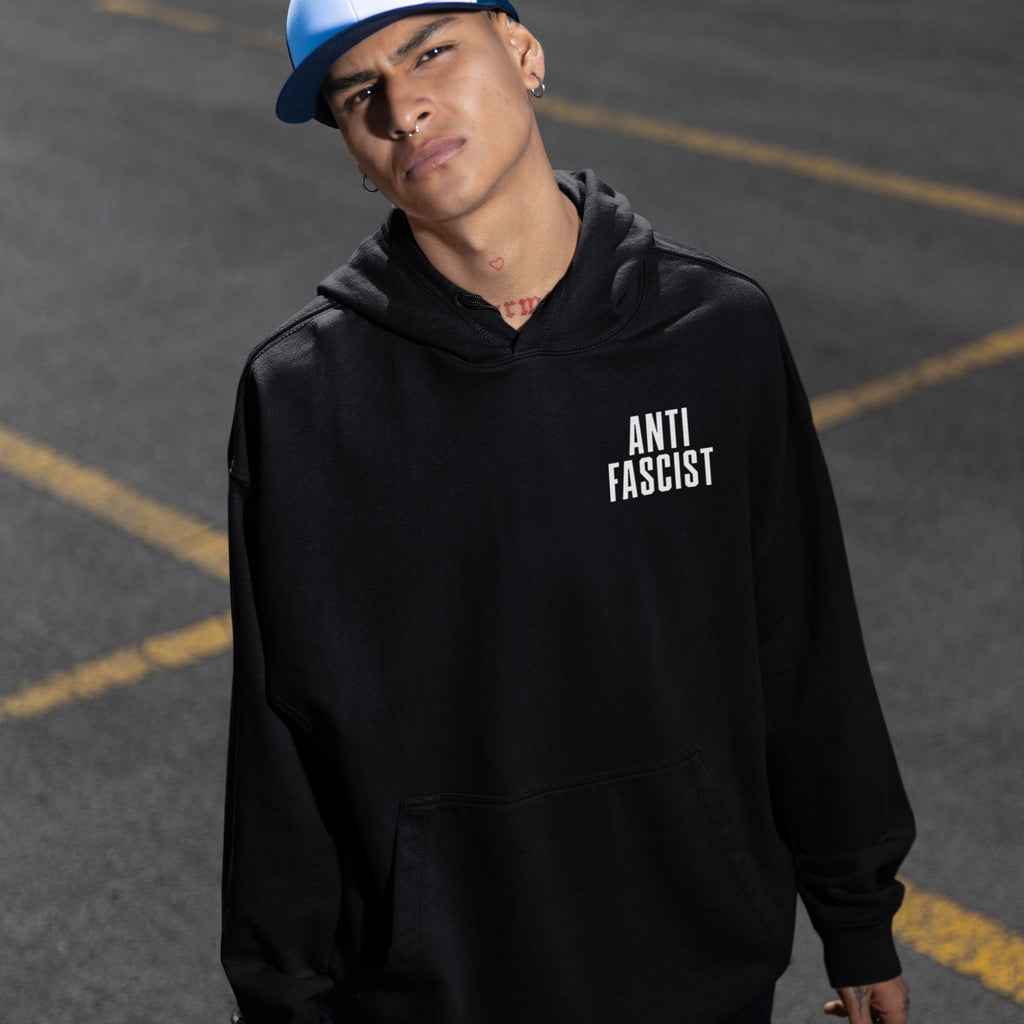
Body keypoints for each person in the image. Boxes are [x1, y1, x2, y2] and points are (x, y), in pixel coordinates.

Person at [220, 2, 916, 1022]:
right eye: (358, 94)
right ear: (355, 156)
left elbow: (801, 642)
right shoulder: (301, 399)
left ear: (524, 51)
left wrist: (855, 915)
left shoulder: (714, 333)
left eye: (431, 52)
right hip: (432, 987)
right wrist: (282, 999)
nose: (405, 109)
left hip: (697, 960)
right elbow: (282, 740)